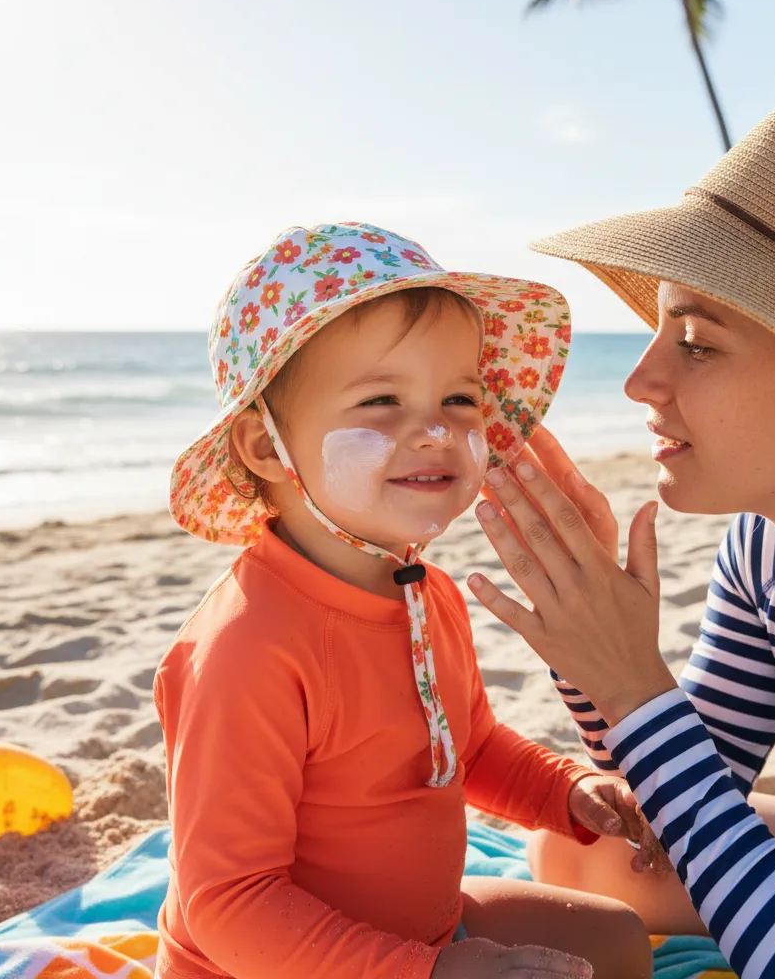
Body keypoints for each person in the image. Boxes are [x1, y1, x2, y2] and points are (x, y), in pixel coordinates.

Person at [465, 103, 775, 978]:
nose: (639, 379)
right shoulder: (769, 550)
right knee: (586, 855)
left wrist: (634, 682)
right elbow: (673, 804)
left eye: (695, 343)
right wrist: (591, 642)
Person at [153, 223, 653, 979]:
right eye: (382, 400)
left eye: (459, 398)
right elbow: (227, 901)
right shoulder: (249, 646)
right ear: (265, 449)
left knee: (617, 944)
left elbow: (468, 750)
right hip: (270, 966)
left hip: (423, 933)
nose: (435, 431)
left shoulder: (425, 592)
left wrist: (569, 791)